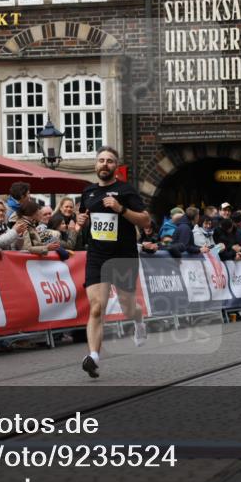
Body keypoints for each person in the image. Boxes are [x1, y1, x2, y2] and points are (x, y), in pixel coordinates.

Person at [74, 147, 149, 378]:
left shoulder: (126, 191)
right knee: (97, 307)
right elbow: (82, 222)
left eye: (109, 161)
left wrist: (121, 209)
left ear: (116, 166)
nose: (104, 164)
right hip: (97, 256)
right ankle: (93, 356)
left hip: (123, 256)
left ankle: (138, 320)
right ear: (96, 165)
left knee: (128, 307)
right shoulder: (88, 192)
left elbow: (145, 220)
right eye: (101, 161)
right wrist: (80, 221)